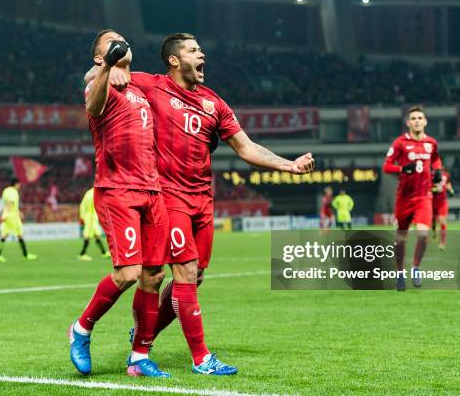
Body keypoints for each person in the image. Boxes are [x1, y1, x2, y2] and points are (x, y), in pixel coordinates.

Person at [87, 32, 315, 375]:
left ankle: (144, 334)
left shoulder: (214, 103)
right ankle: (201, 358)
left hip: (202, 199)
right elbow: (96, 79)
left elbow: (246, 147)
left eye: (201, 49)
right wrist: (105, 71)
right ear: (174, 60)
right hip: (167, 196)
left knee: (196, 277)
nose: (202, 54)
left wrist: (289, 164)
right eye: (194, 50)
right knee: (184, 272)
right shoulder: (152, 85)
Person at [68, 30, 170, 378]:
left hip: (152, 191)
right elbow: (92, 107)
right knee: (128, 273)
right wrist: (105, 68)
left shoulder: (139, 88)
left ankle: (140, 358)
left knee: (153, 276)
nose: (120, 41)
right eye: (110, 42)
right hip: (117, 190)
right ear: (99, 57)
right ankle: (81, 329)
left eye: (122, 39)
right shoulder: (100, 86)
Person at [383, 106, 442, 291]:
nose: (417, 121)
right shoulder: (400, 143)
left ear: (425, 121)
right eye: (413, 118)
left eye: (420, 118)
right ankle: (400, 273)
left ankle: (416, 267)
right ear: (408, 123)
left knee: (424, 236)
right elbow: (386, 166)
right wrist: (403, 169)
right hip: (404, 198)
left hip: (424, 196)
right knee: (400, 240)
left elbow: (436, 159)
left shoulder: (431, 143)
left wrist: (438, 171)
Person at [0, 179, 37, 262]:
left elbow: (7, 203)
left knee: (4, 235)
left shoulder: (5, 191)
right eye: (19, 184)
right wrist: (11, 213)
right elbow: (10, 202)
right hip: (12, 217)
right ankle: (26, 255)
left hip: (6, 215)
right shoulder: (13, 192)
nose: (19, 186)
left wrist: (12, 212)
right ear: (16, 184)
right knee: (20, 234)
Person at [77, 187, 109, 261]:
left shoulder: (88, 193)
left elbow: (82, 205)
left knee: (97, 235)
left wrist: (82, 216)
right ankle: (82, 254)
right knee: (87, 236)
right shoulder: (94, 194)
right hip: (91, 218)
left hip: (90, 217)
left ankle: (103, 253)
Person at [431, 167, 454, 250]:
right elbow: (426, 188)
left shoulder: (446, 175)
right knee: (433, 221)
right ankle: (434, 233)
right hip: (432, 202)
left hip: (442, 202)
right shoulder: (429, 175)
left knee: (442, 220)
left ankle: (443, 243)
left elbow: (448, 184)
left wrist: (451, 190)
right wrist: (435, 189)